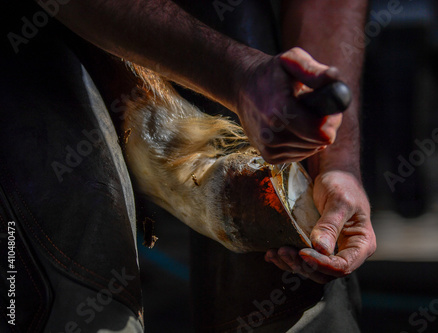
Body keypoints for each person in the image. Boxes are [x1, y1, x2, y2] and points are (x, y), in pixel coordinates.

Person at [0, 0, 375, 332]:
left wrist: (336, 161)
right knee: (82, 275)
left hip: (221, 23)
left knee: (291, 275)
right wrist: (234, 74)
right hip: (35, 25)